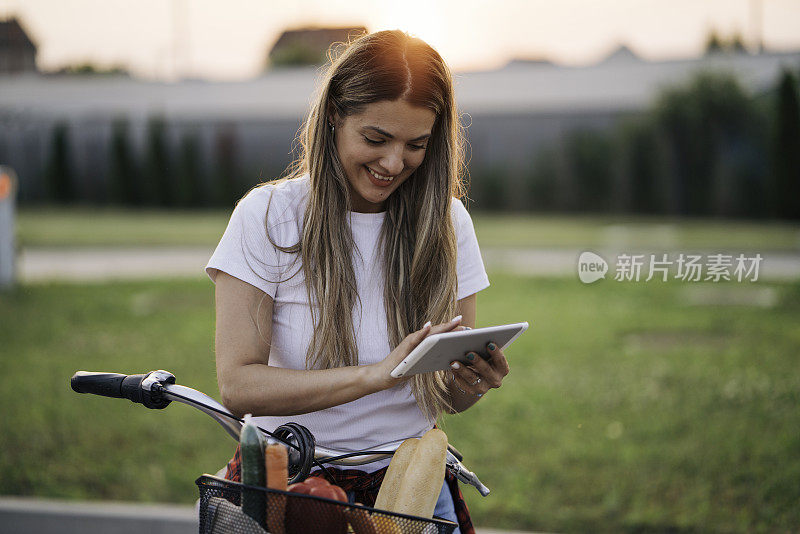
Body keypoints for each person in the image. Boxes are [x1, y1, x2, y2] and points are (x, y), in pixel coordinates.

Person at [205, 29, 510, 534]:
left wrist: (472, 384)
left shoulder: (448, 224)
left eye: (416, 145)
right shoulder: (269, 216)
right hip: (292, 485)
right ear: (333, 118)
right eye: (375, 139)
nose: (394, 164)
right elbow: (238, 385)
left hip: (409, 490)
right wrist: (375, 375)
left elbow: (448, 399)